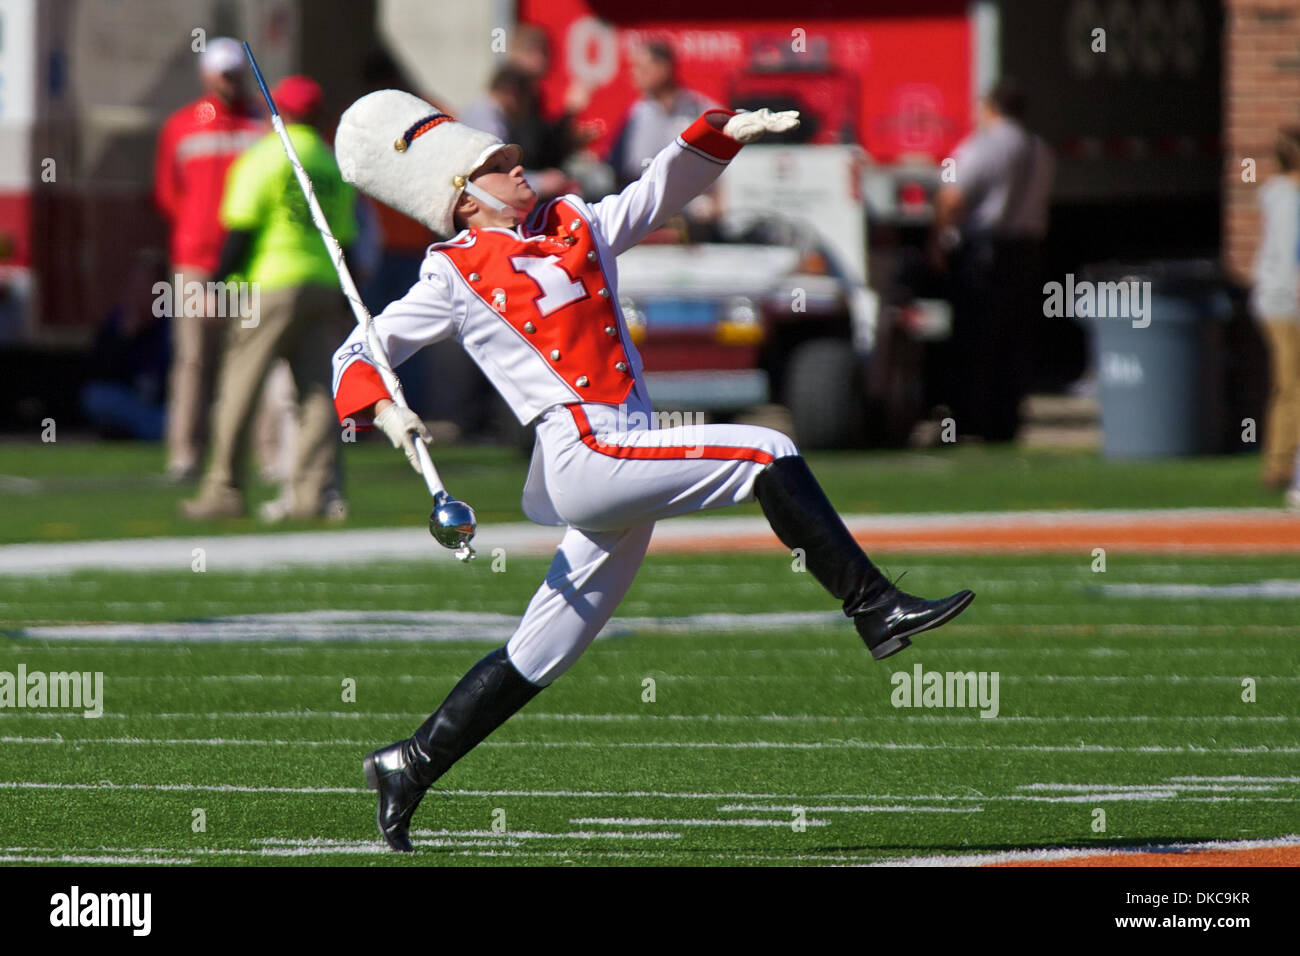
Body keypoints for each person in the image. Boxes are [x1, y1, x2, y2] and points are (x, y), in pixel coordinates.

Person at [331, 90, 976, 851]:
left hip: (623, 450)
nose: (518, 170)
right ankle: (874, 607)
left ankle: (410, 763)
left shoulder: (576, 222)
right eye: (498, 168)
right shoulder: (452, 272)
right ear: (463, 201)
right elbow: (357, 354)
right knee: (765, 450)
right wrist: (388, 413)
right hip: (582, 453)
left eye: (511, 159)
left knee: (542, 650)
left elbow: (655, 193)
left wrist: (717, 135)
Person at [181, 76, 354, 521]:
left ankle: (223, 490)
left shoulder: (264, 157)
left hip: (272, 283)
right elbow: (346, 239)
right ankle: (311, 494)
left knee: (240, 387)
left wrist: (214, 287)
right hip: (323, 283)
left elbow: (240, 230)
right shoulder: (329, 162)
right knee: (317, 394)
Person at [153, 37, 263, 481]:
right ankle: (184, 454)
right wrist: (199, 232)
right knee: (193, 359)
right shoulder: (183, 126)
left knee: (249, 359)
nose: (229, 82)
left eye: (235, 73)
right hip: (196, 262)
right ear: (207, 75)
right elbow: (168, 193)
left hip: (249, 262)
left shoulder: (260, 124)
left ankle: (256, 455)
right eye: (222, 73)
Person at [930, 78, 1054, 442]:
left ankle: (972, 420)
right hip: (1026, 251)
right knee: (1014, 339)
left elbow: (952, 197)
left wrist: (937, 240)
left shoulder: (984, 145)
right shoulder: (1039, 148)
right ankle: (1007, 422)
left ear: (991, 107)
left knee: (975, 339)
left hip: (985, 252)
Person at [1252, 127, 1300, 493]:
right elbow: (1290, 257)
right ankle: (1280, 467)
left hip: (1279, 297)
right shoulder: (1286, 197)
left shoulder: (1278, 194)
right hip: (1285, 301)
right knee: (1291, 384)